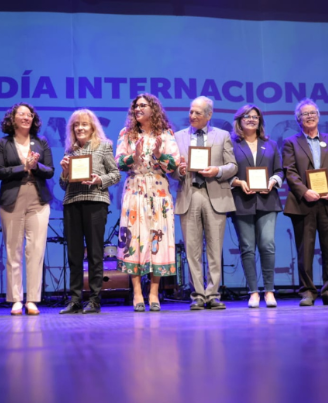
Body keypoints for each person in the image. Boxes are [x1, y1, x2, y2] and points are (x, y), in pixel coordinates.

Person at [170, 96, 237, 310]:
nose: (193, 115)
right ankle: (198, 295)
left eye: (198, 112)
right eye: (191, 111)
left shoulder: (222, 135)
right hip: (189, 193)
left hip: (214, 194)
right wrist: (179, 171)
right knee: (192, 250)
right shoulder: (178, 137)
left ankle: (213, 294)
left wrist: (217, 170)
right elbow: (172, 170)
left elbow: (232, 166)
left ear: (209, 115)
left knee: (215, 249)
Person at [115, 93, 181, 312]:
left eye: (143, 105)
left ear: (153, 109)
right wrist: (132, 157)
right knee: (134, 240)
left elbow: (174, 165)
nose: (138, 109)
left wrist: (159, 154)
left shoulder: (166, 134)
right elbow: (118, 163)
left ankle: (153, 293)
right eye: (136, 106)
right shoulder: (126, 134)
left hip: (159, 191)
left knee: (157, 239)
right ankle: (137, 293)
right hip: (135, 189)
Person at [283, 99, 328, 307]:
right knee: (305, 251)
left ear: (319, 116)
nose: (310, 116)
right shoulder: (291, 142)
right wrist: (304, 191)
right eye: (305, 114)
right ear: (298, 119)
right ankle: (307, 292)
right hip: (304, 203)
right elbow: (289, 171)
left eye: (313, 113)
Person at [0, 102, 54, 315]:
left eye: (30, 115)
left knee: (35, 250)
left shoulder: (41, 141)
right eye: (22, 114)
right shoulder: (2, 143)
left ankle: (32, 299)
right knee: (13, 250)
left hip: (38, 200)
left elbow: (50, 170)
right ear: (13, 119)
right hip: (12, 200)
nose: (27, 117)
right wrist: (23, 167)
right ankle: (16, 300)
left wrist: (36, 167)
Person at [58, 109, 120, 314]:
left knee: (94, 253)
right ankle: (75, 300)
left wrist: (99, 180)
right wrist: (65, 172)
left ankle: (94, 300)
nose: (80, 128)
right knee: (74, 254)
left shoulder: (104, 146)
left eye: (84, 124)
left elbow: (116, 174)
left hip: (96, 201)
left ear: (92, 127)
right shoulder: (70, 151)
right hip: (72, 202)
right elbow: (62, 184)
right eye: (76, 125)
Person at [226, 104, 282, 308]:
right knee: (247, 248)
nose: (251, 119)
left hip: (268, 200)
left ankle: (269, 291)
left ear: (260, 121)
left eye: (255, 117)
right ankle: (253, 292)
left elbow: (280, 171)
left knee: (267, 245)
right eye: (247, 116)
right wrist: (238, 182)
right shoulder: (231, 145)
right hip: (242, 200)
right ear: (239, 121)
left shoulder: (271, 144)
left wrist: (273, 181)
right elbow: (226, 172)